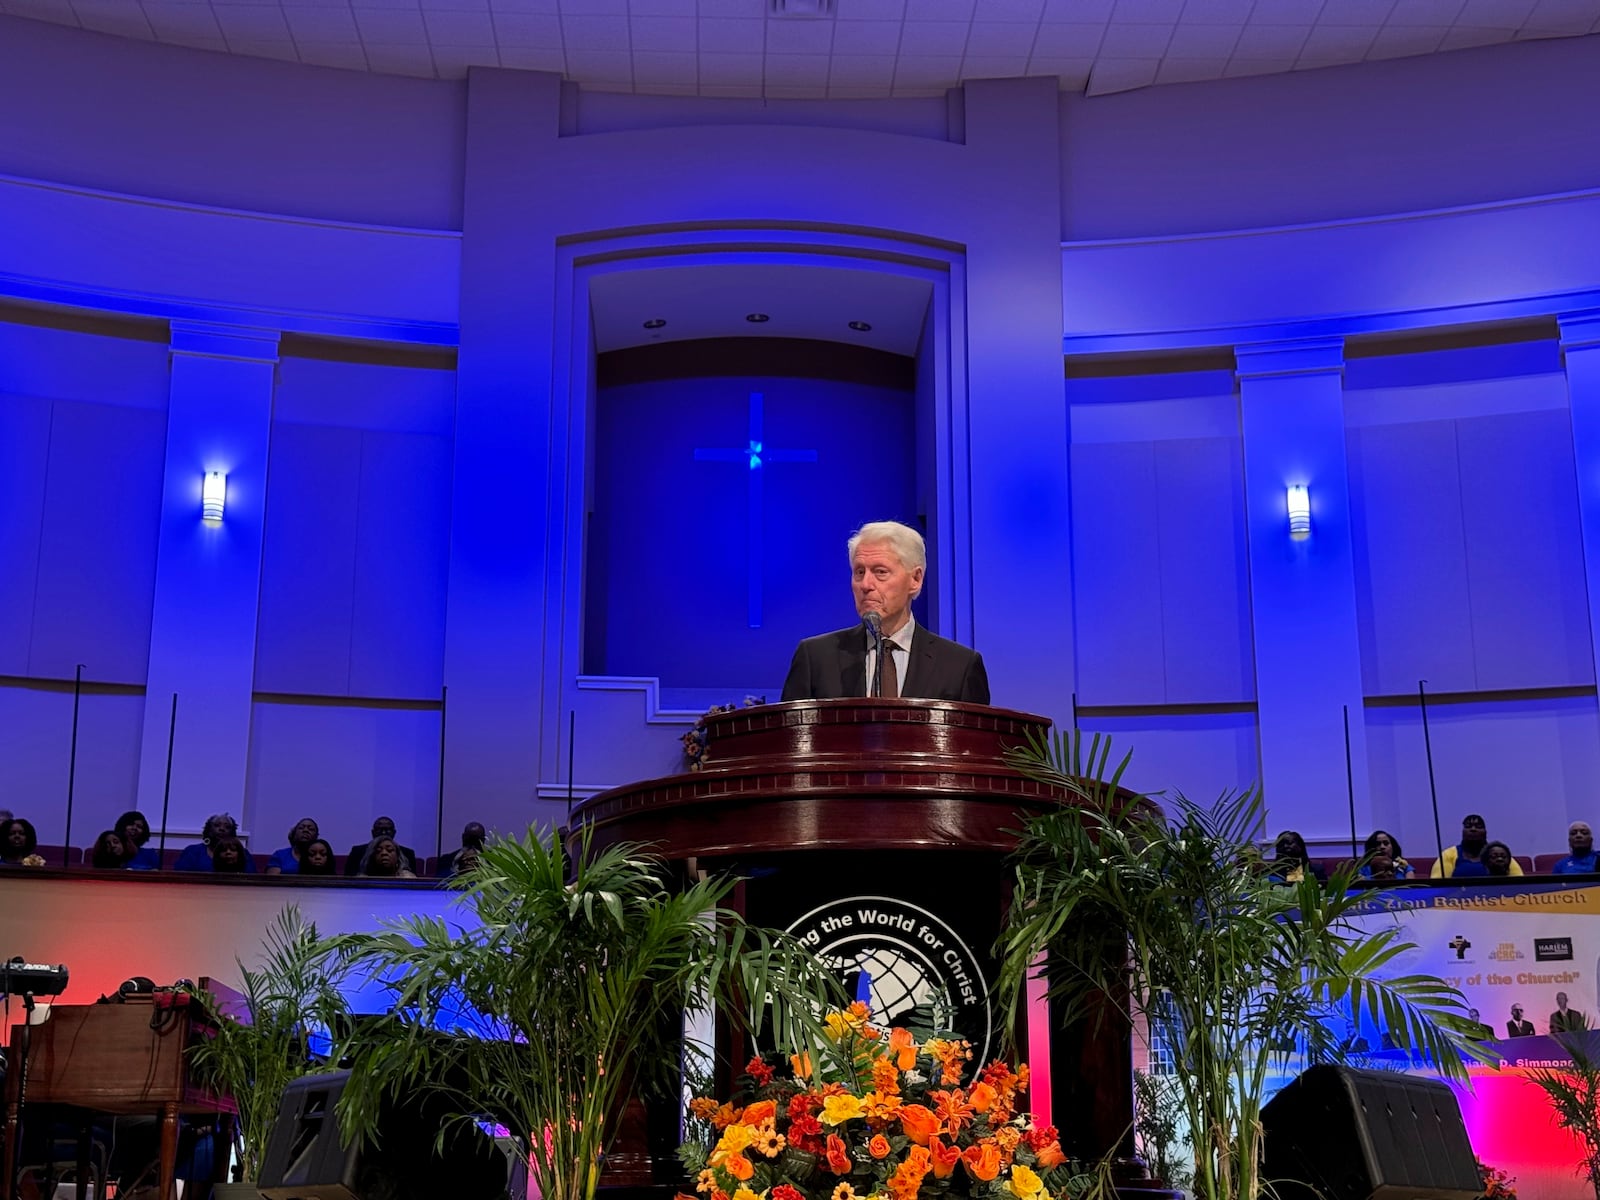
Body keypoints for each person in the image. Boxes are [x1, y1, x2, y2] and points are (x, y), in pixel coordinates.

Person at [780, 521, 989, 705]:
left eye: (880, 572)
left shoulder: (960, 667)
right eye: (859, 572)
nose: (865, 584)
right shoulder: (815, 657)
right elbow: (786, 743)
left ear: (915, 580)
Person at [1431, 814, 1521, 877]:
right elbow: (1437, 887)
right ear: (1462, 832)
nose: (1473, 829)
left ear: (1485, 832)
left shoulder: (1499, 854)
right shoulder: (1449, 854)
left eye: (1478, 826)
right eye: (1468, 826)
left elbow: (1521, 885)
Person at [173, 814, 257, 873]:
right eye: (217, 825)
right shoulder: (193, 851)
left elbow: (251, 878)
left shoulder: (243, 853)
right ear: (209, 830)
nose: (222, 829)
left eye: (227, 827)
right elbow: (179, 876)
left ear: (232, 833)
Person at [345, 817, 418, 877]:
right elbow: (348, 878)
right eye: (378, 851)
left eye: (387, 830)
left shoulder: (408, 853)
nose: (383, 833)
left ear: (394, 832)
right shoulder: (357, 851)